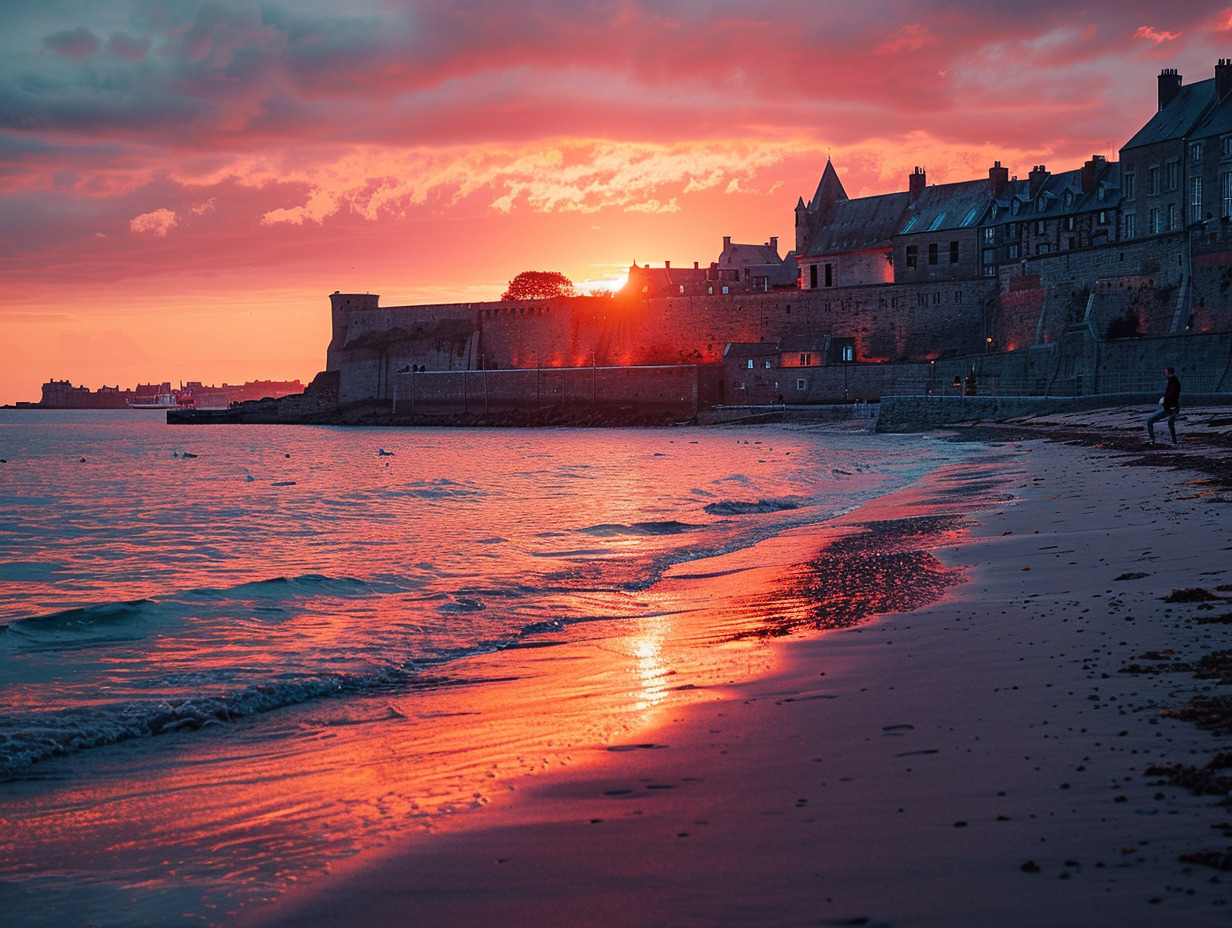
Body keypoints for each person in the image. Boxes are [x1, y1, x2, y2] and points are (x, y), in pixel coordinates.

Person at [1146, 366, 1181, 446]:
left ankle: (1152, 439)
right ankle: (1174, 441)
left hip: (1169, 408)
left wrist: (1165, 402)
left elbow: (1170, 396)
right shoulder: (1175, 381)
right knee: (1170, 423)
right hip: (1173, 408)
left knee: (1149, 420)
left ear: (1168, 373)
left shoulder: (1173, 383)